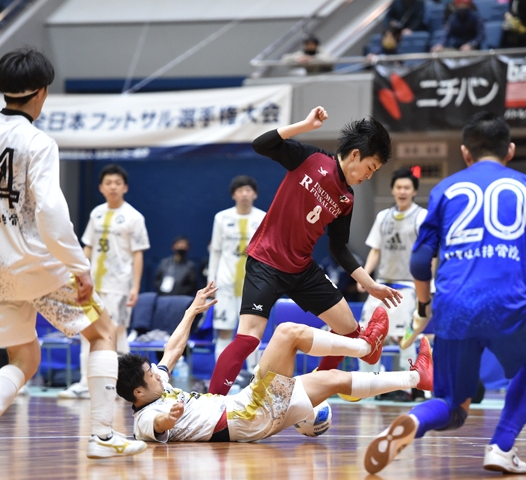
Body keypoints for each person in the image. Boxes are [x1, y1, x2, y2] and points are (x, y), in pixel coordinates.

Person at [0, 47, 147, 463]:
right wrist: (79, 267)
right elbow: (52, 212)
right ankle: (103, 435)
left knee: (23, 355)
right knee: (103, 332)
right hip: (39, 265)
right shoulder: (38, 141)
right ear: (41, 92)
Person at [364, 111, 526, 475]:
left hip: (452, 306)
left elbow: (420, 262)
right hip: (507, 302)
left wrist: (422, 306)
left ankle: (411, 424)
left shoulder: (444, 189)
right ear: (509, 150)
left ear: (465, 153)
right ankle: (500, 447)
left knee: (452, 405)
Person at [208, 106, 403, 396]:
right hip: (266, 262)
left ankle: (311, 393)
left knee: (349, 329)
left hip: (302, 269)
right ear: (355, 155)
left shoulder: (347, 198)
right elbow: (261, 144)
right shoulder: (310, 159)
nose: (368, 176)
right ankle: (212, 406)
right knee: (249, 337)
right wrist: (305, 125)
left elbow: (339, 248)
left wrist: (371, 285)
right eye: (370, 168)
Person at [116, 282, 433, 443]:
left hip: (251, 416)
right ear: (138, 394)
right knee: (287, 333)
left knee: (334, 379)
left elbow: (171, 350)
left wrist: (191, 311)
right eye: (150, 377)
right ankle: (364, 347)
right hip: (244, 415)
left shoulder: (157, 388)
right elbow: (156, 427)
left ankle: (417, 379)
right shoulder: (146, 418)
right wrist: (168, 419)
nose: (157, 376)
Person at [59, 163, 150, 399]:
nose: (113, 187)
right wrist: (76, 274)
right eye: (108, 183)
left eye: (117, 183)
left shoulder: (134, 217)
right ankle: (84, 382)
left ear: (125, 187)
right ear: (101, 187)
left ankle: (122, 384)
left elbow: (138, 253)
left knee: (117, 333)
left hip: (119, 284)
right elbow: (87, 247)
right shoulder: (96, 213)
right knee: (85, 330)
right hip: (93, 283)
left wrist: (136, 286)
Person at [357, 167, 427, 377]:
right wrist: (366, 276)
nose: (402, 191)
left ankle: (410, 382)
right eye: (399, 187)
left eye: (407, 187)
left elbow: (429, 255)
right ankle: (366, 380)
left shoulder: (422, 217)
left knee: (404, 335)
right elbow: (375, 250)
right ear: (393, 190)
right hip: (381, 285)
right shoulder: (383, 217)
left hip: (408, 285)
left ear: (414, 191)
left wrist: (428, 286)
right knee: (368, 333)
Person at [207, 175, 265, 363]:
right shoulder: (221, 218)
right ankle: (222, 378)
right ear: (234, 195)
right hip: (225, 285)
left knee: (251, 332)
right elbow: (215, 252)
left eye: (248, 190)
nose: (245, 194)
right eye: (240, 190)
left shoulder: (263, 218)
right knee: (224, 330)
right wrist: (211, 282)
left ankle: (251, 379)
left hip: (253, 285)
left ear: (255, 194)